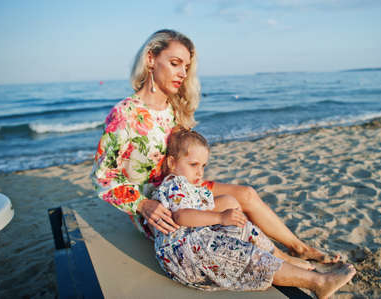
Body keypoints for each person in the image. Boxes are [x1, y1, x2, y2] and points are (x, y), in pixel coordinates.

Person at [91, 29, 338, 265]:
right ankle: (284, 261)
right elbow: (102, 178)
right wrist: (142, 205)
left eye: (186, 67)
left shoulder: (172, 108)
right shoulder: (125, 115)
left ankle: (300, 248)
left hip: (185, 189)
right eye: (175, 63)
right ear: (151, 59)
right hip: (159, 209)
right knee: (232, 205)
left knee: (247, 194)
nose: (182, 74)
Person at [150, 126, 355, 296]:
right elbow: (181, 216)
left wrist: (231, 216)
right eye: (193, 164)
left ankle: (283, 258)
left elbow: (204, 207)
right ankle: (318, 282)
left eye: (203, 165)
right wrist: (220, 217)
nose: (200, 172)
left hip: (197, 244)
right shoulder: (174, 184)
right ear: (171, 163)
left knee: (244, 227)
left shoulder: (191, 186)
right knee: (248, 256)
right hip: (183, 255)